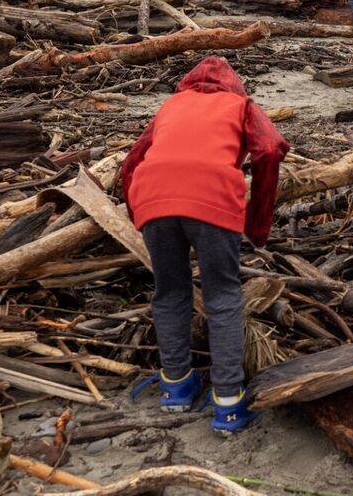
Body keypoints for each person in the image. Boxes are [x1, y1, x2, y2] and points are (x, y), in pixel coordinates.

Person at [123, 57, 289, 436]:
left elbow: (132, 161)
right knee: (223, 296)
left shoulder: (171, 105)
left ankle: (176, 388)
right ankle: (228, 405)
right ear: (234, 85)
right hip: (213, 200)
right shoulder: (241, 106)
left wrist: (140, 212)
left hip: (154, 200)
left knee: (170, 293)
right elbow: (270, 148)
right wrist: (257, 221)